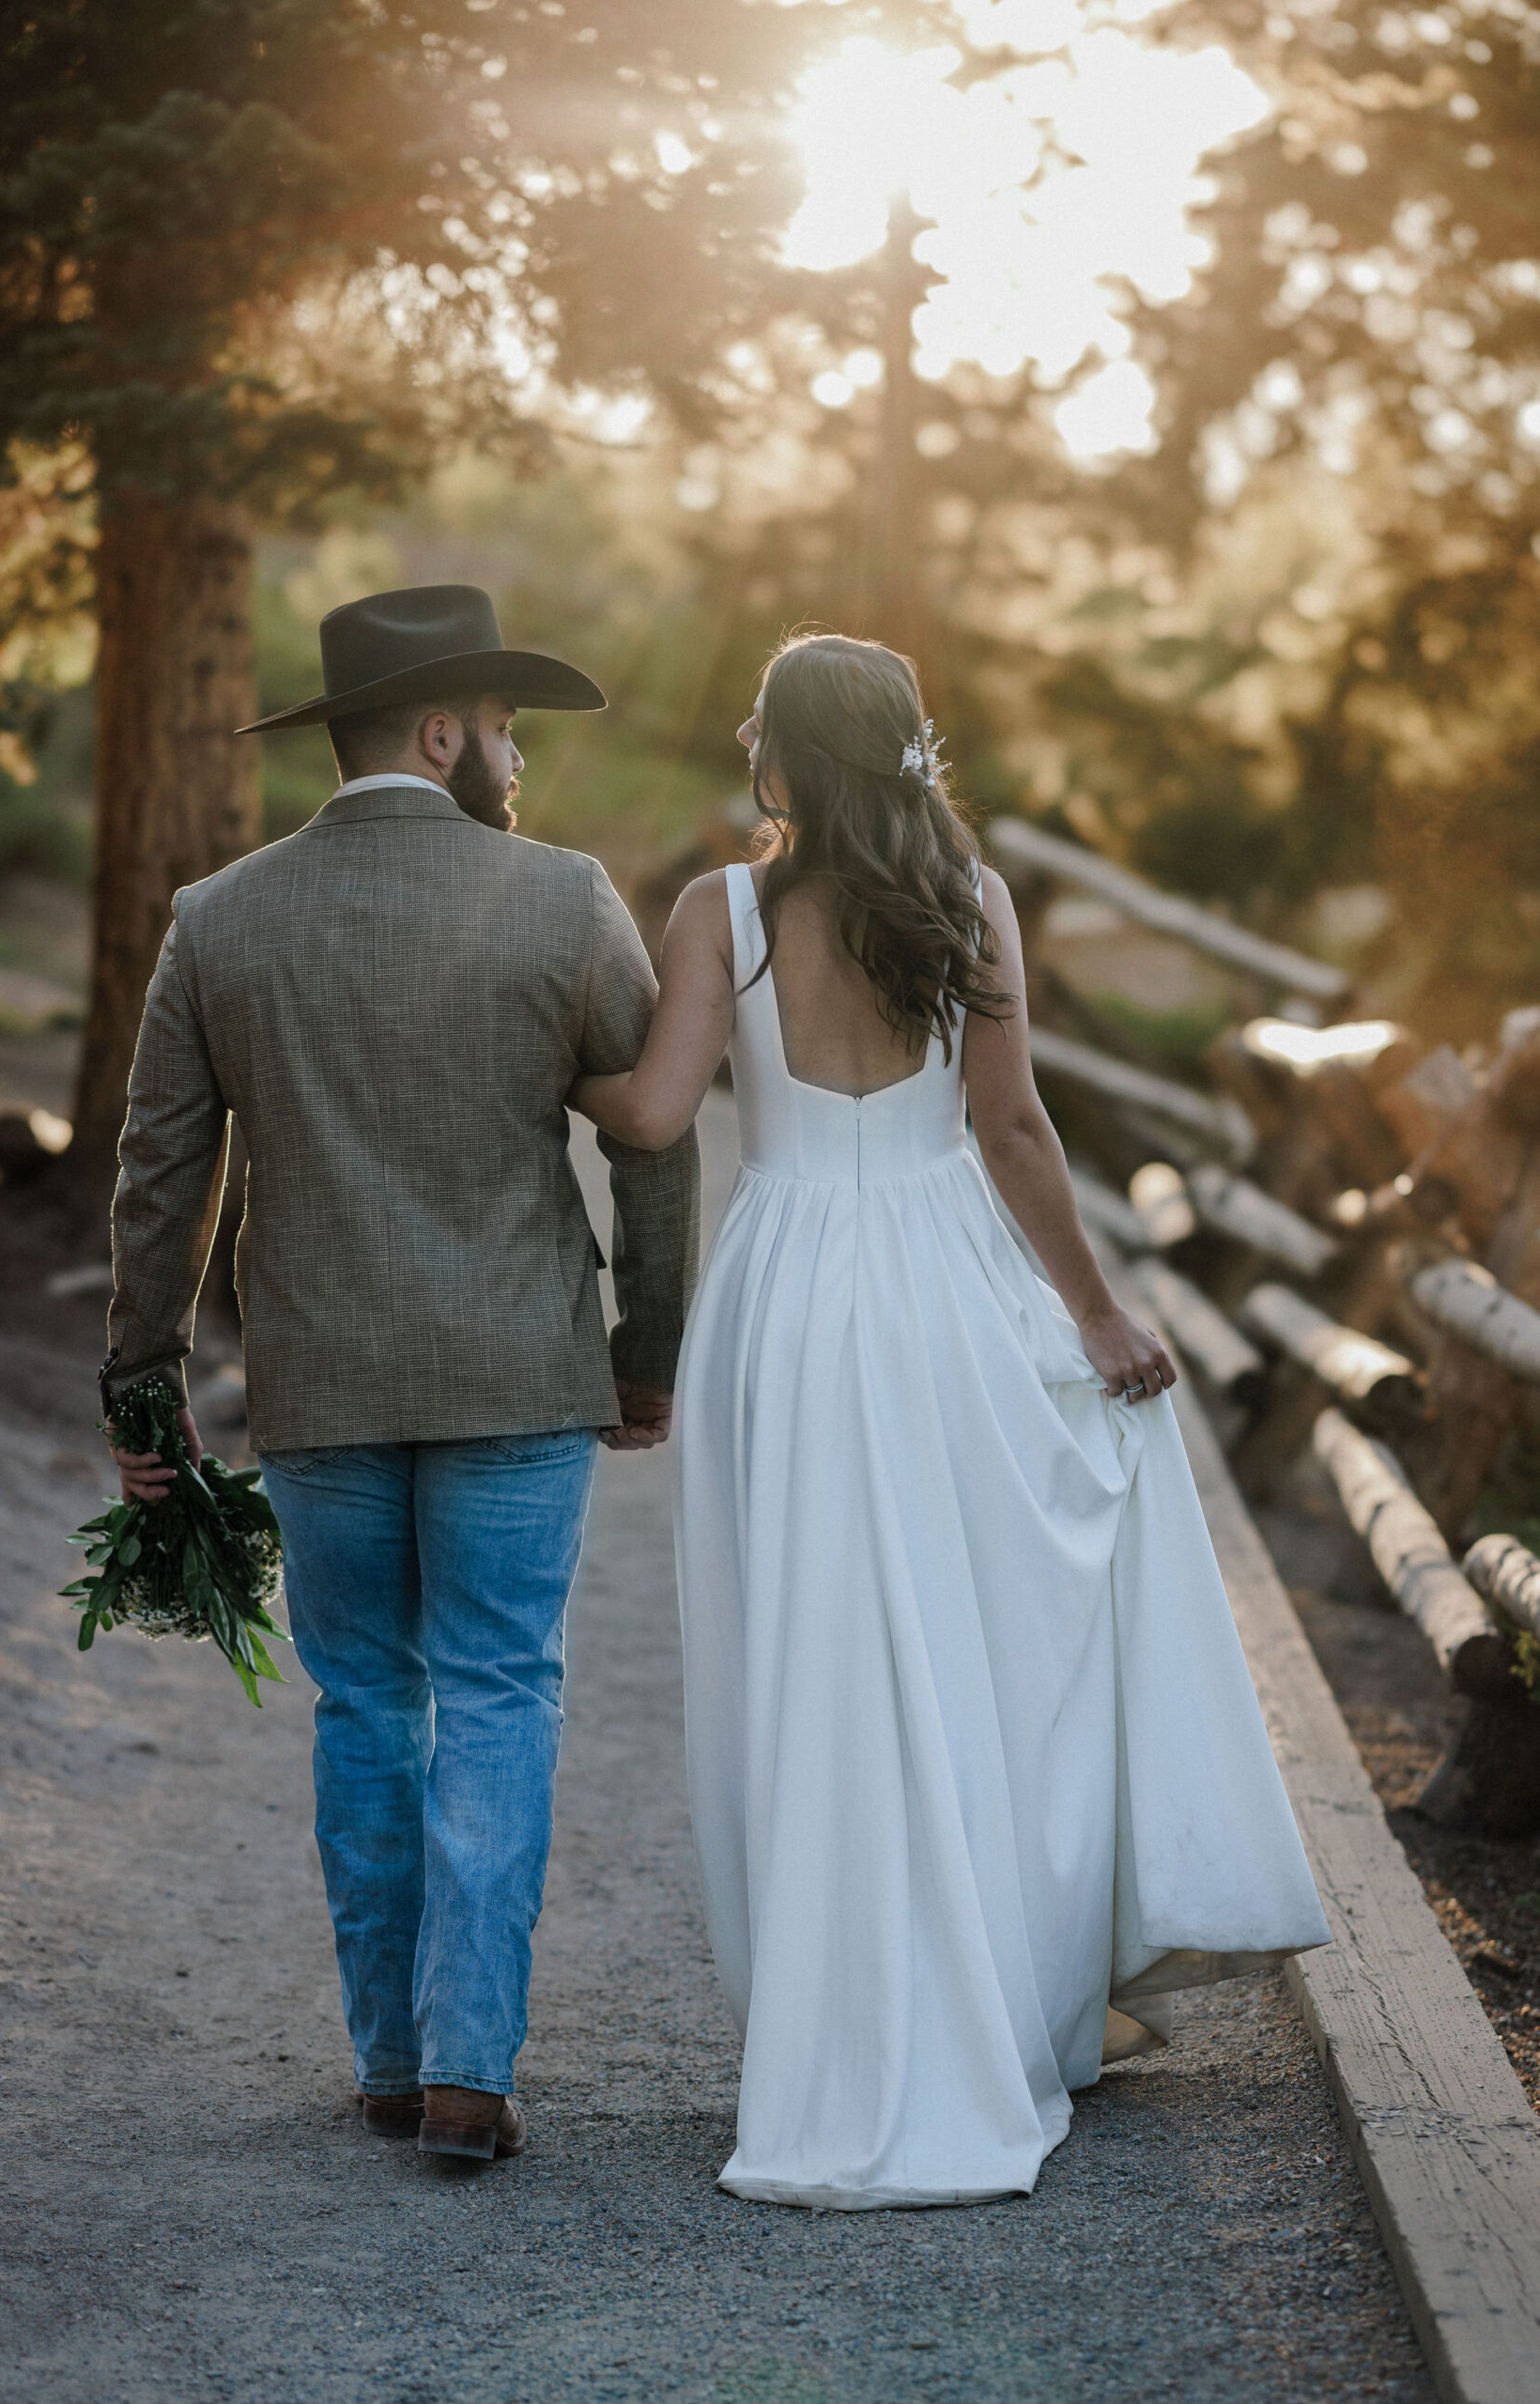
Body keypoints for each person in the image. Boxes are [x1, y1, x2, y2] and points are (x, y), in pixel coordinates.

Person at [568, 630, 1330, 2211]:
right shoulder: (969, 901)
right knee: (976, 1637)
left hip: (779, 1299)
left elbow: (648, 1114)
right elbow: (1011, 1127)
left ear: (782, 749)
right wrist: (1099, 1314)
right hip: (940, 1292)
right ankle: (1013, 1987)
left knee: (806, 1660)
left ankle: (835, 2016)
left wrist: (534, 1067)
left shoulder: (719, 909)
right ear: (906, 748)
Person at [103, 584, 700, 2162]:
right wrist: (648, 1356)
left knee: (365, 1698)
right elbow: (652, 1138)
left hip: (321, 1379)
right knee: (501, 1692)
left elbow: (161, 1177)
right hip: (517, 1371)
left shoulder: (217, 919)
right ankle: (469, 2071)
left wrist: (140, 1386)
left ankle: (385, 2062)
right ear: (442, 734)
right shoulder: (566, 899)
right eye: (502, 727)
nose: (513, 755)